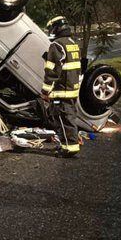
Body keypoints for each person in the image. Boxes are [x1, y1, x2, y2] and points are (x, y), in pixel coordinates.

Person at [42, 16, 83, 154]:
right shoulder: (72, 43)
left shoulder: (57, 45)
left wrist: (45, 90)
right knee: (69, 118)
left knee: (63, 119)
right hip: (72, 90)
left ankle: (69, 148)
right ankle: (68, 144)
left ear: (56, 28)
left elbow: (52, 71)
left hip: (62, 91)